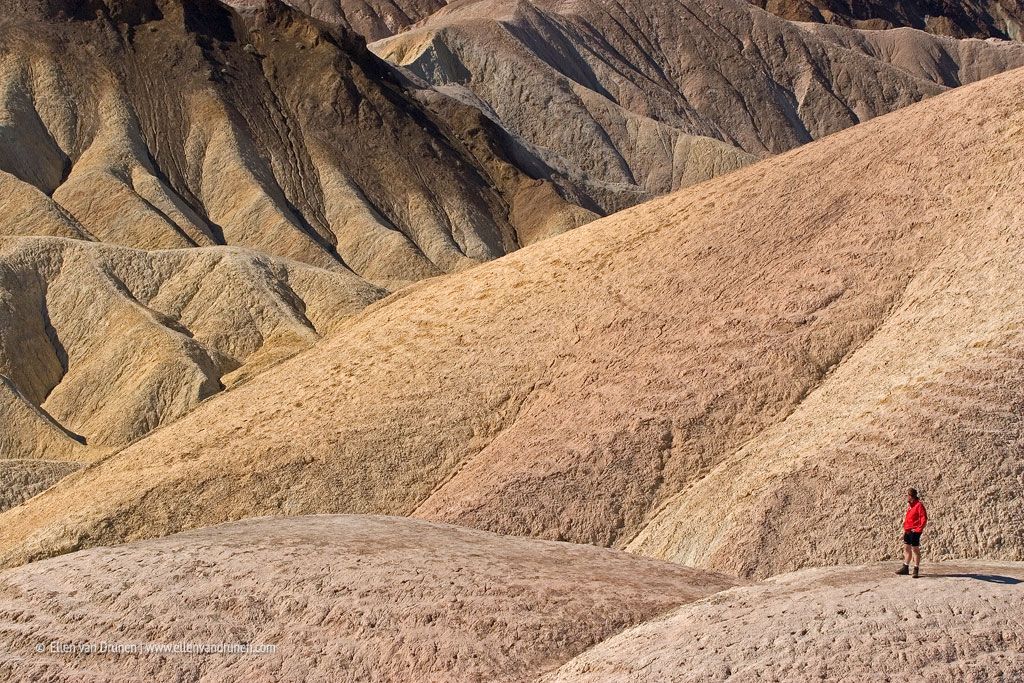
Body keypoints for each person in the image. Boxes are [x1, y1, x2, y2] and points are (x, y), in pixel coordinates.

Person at [896, 488, 927, 578]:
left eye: (907, 495)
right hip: (908, 530)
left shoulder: (919, 505)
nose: (906, 497)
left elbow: (924, 518)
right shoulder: (910, 505)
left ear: (911, 496)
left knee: (915, 550)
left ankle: (916, 569)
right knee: (906, 548)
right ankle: (905, 567)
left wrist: (918, 529)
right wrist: (905, 531)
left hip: (914, 531)